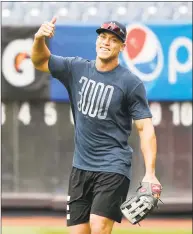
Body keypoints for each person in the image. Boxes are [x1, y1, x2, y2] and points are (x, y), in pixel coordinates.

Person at [31, 17, 162, 234]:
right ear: (96, 41)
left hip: (113, 167)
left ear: (122, 46)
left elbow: (145, 129)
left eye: (113, 39)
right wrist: (38, 38)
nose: (106, 42)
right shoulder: (76, 69)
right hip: (80, 168)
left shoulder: (131, 83)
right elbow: (39, 61)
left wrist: (150, 173)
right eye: (102, 37)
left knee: (99, 226)